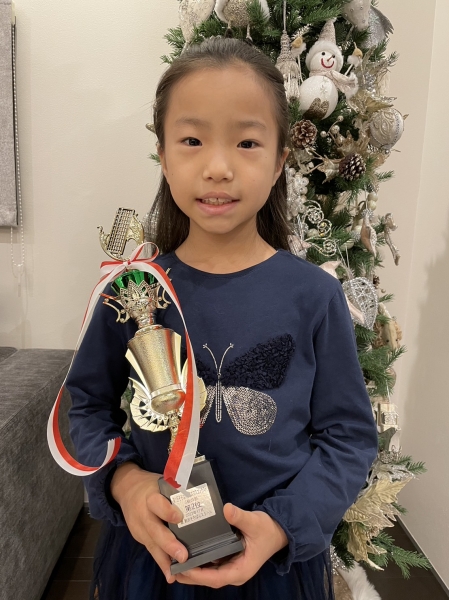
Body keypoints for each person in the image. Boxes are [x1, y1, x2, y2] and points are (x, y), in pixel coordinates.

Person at [67, 36, 378, 600]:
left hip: (274, 570)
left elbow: (350, 438)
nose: (217, 168)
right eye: (192, 140)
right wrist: (124, 481)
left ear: (280, 159)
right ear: (163, 155)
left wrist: (283, 525)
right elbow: (85, 406)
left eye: (247, 142)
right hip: (154, 560)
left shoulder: (314, 296)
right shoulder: (135, 290)